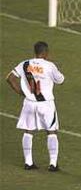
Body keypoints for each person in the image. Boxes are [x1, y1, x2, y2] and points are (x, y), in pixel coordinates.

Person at [6, 42, 65, 172]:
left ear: (35, 52)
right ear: (45, 53)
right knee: (51, 131)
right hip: (46, 104)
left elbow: (10, 78)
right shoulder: (50, 66)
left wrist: (21, 92)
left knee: (28, 131)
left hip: (29, 102)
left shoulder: (25, 64)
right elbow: (60, 80)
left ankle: (28, 162)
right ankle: (53, 164)